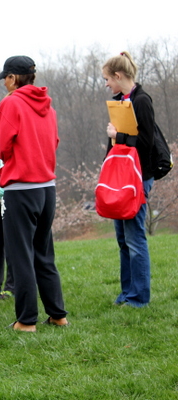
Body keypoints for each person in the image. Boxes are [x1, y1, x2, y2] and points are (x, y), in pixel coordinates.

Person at [0, 55, 68, 332]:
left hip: (20, 189)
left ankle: (26, 320)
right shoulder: (49, 107)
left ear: (13, 78)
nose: (4, 85)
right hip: (47, 188)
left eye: (6, 79)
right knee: (43, 253)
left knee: (20, 255)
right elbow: (54, 142)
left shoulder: (11, 103)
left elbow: (0, 146)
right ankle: (58, 315)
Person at [103, 51, 155, 307]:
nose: (106, 84)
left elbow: (146, 143)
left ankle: (139, 297)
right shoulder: (119, 101)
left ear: (118, 75)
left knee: (135, 239)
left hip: (138, 177)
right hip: (121, 177)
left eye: (107, 79)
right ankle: (126, 292)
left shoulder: (142, 100)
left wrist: (119, 136)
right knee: (123, 239)